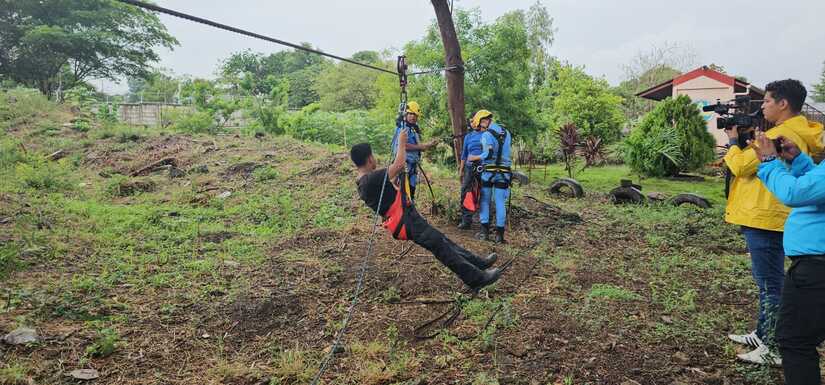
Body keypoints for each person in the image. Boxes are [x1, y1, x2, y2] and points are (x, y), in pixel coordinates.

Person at [724, 79, 824, 365]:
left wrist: (733, 142)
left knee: (770, 282)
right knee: (769, 280)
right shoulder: (802, 132)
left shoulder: (780, 133)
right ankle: (763, 332)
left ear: (783, 104)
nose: (763, 106)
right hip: (774, 214)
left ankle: (772, 344)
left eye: (767, 101)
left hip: (765, 214)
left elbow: (741, 165)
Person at [351, 128, 504, 290]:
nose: (374, 159)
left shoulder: (365, 181)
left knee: (443, 241)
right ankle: (476, 278)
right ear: (369, 159)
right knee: (441, 248)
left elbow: (392, 180)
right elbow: (399, 164)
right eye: (373, 156)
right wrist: (402, 142)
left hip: (407, 217)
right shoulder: (370, 179)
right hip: (406, 220)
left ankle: (478, 263)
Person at [753, 131, 825, 385]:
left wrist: (770, 161)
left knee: (795, 339)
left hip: (816, 267)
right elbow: (816, 185)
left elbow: (795, 194)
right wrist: (799, 161)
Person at [473, 110, 512, 244]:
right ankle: (499, 236)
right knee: (500, 202)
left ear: (485, 120)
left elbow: (488, 154)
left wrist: (475, 157)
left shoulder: (486, 135)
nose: (481, 129)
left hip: (488, 173)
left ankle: (484, 234)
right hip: (504, 173)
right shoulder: (507, 133)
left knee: (485, 200)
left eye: (481, 126)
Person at [390, 101, 438, 200]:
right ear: (406, 114)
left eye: (415, 115)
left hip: (412, 166)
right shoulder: (403, 128)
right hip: (403, 167)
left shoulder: (413, 129)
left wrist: (428, 145)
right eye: (411, 114)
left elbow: (417, 146)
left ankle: (410, 211)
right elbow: (403, 145)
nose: (413, 117)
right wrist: (421, 147)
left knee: (411, 192)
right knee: (402, 194)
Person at [457, 114, 485, 229]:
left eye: (474, 121)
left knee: (484, 193)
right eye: (471, 122)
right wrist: (461, 169)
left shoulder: (486, 135)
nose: (473, 123)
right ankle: (466, 220)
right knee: (465, 191)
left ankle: (484, 221)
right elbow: (464, 154)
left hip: (483, 166)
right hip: (469, 167)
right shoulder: (468, 137)